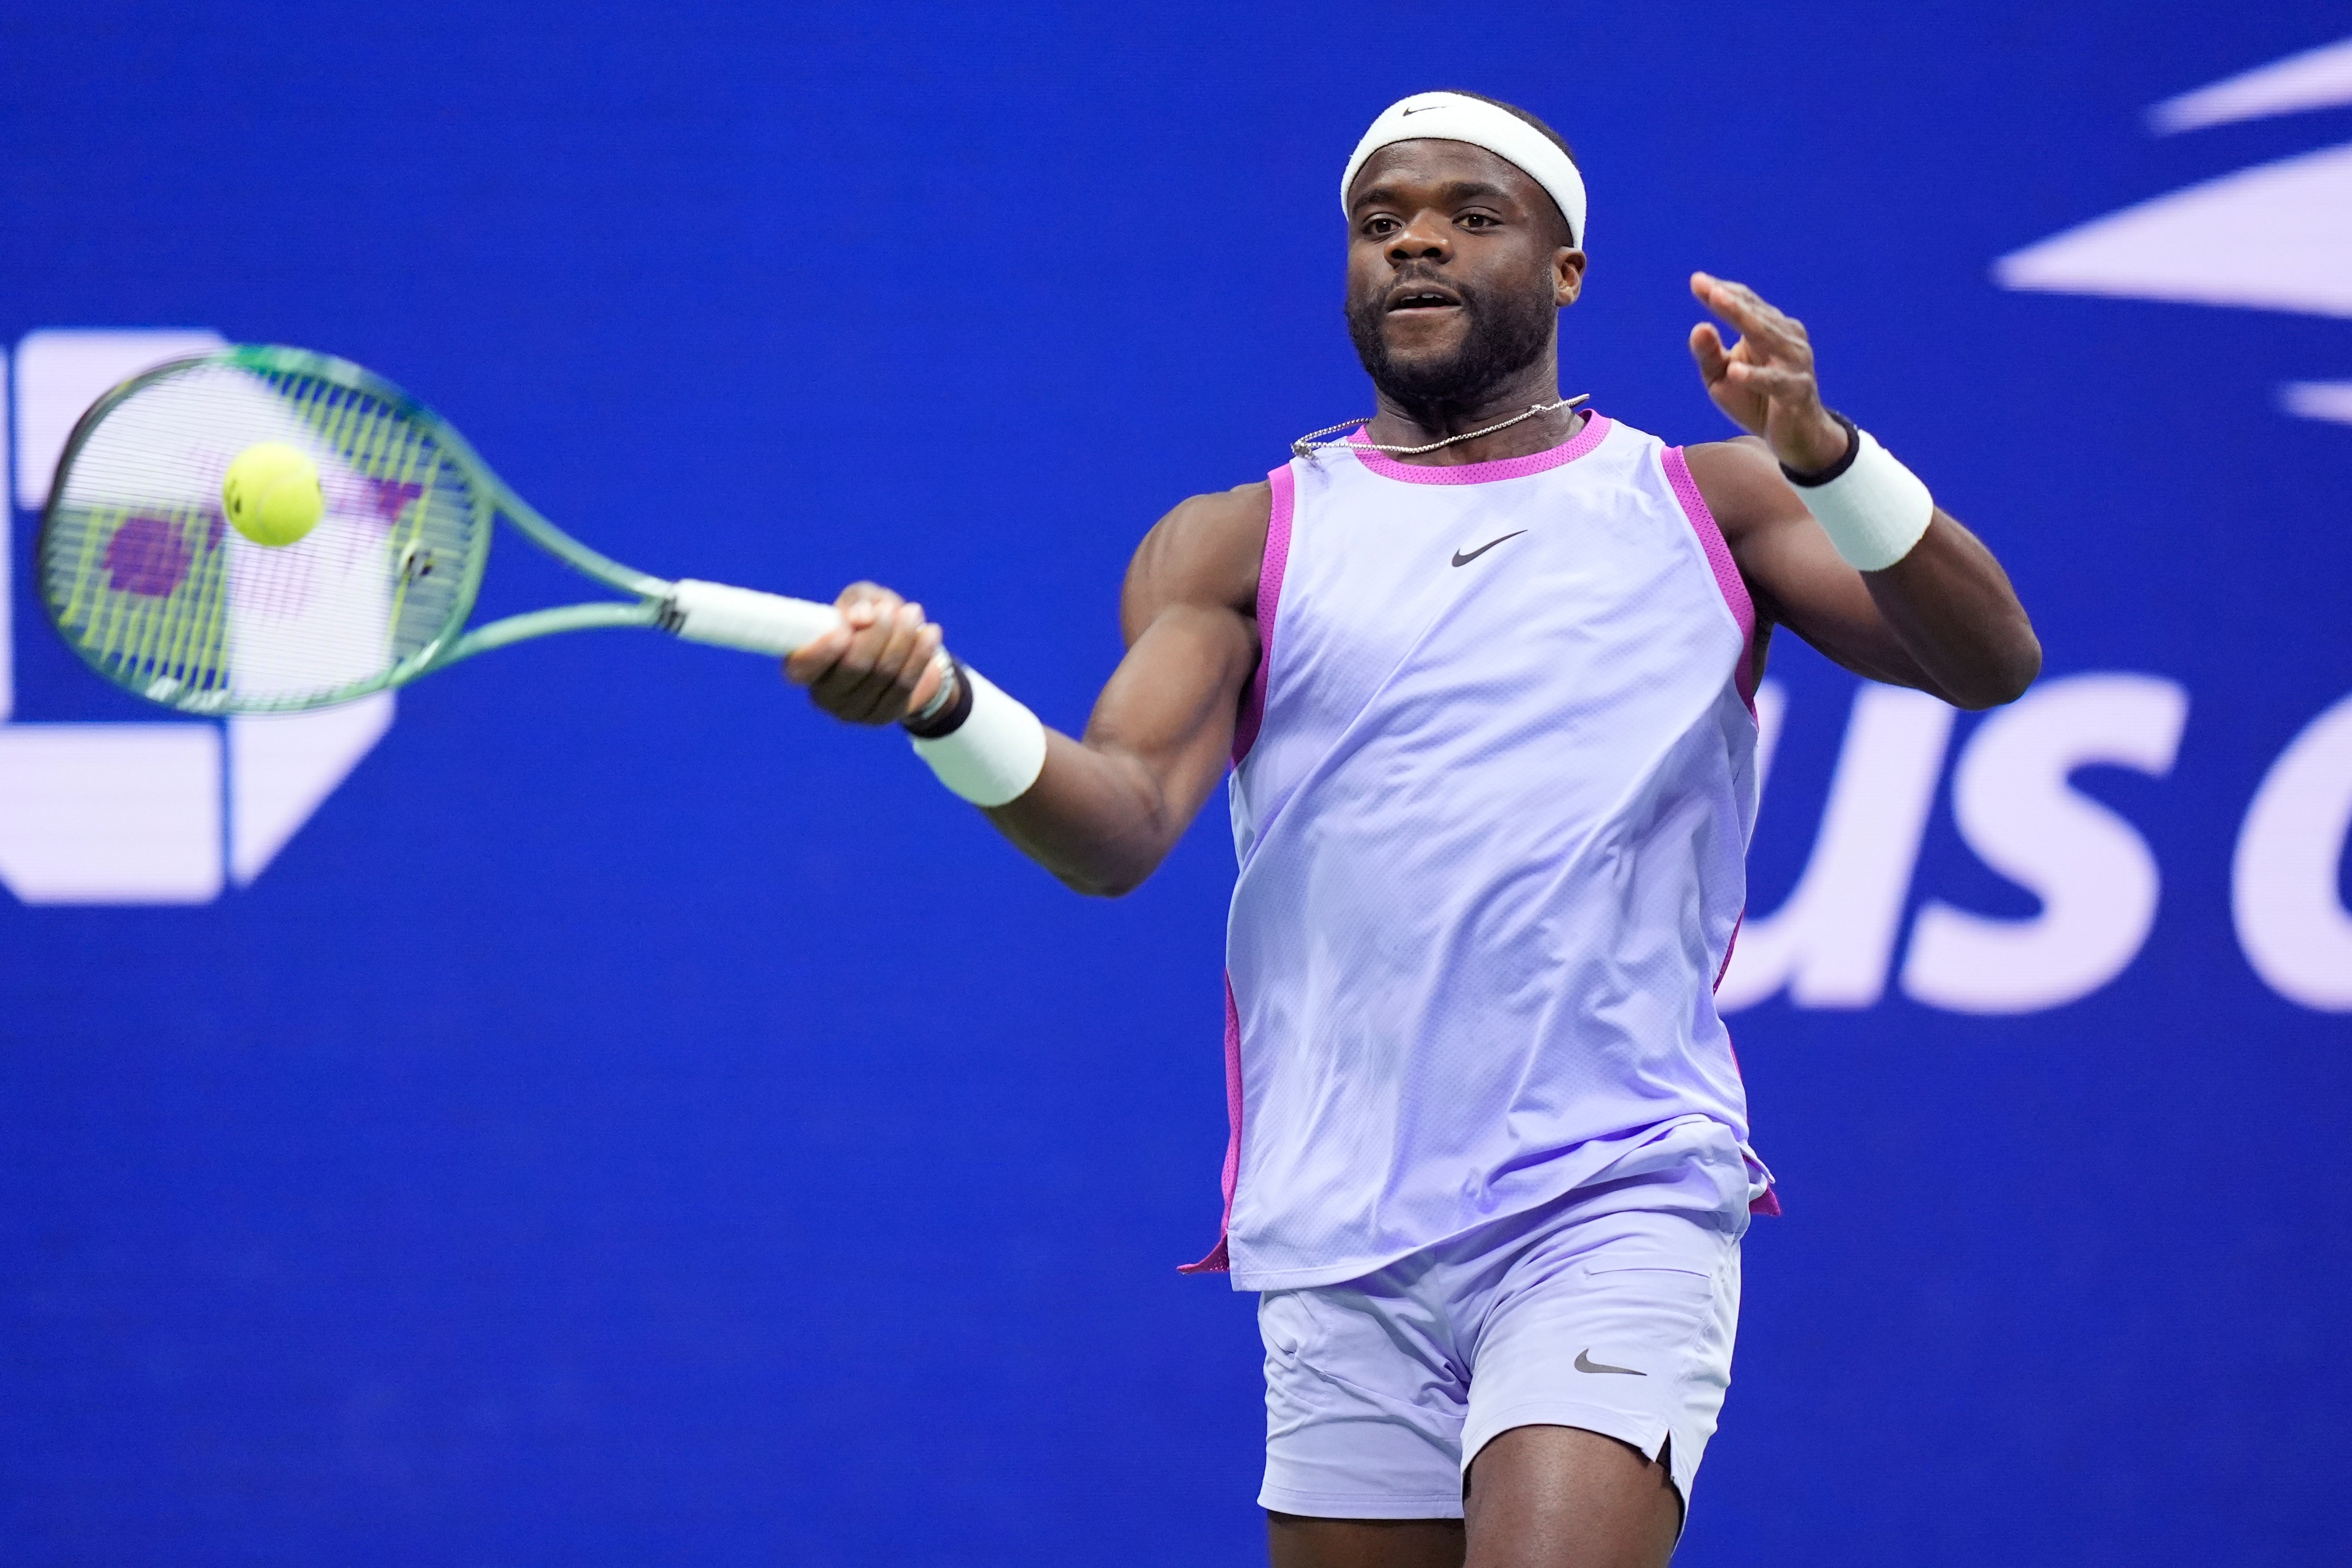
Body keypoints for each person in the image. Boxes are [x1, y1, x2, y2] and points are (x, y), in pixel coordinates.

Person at [783, 90, 2039, 1568]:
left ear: (1566, 269)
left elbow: (1990, 658)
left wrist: (1826, 451)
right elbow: (1116, 827)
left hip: (1610, 1189)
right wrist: (941, 703)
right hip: (1338, 1235)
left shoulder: (1715, 502)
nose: (1418, 246)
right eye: (1381, 224)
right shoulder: (1236, 544)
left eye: (1470, 216)